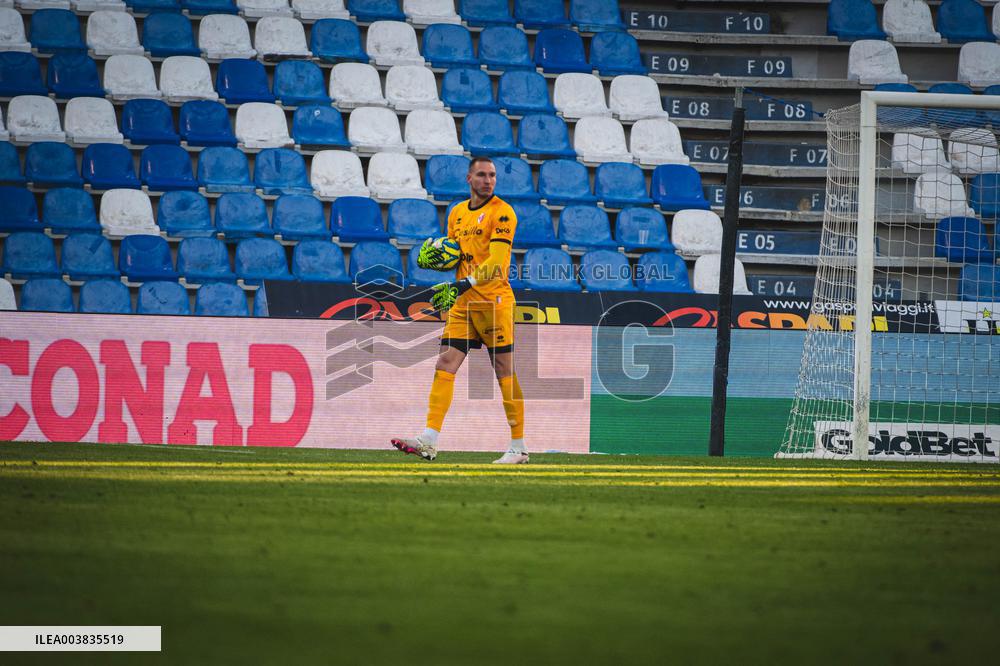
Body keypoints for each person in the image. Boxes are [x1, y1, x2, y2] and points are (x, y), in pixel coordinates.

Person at [391, 156, 528, 464]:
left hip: (493, 302)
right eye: (482, 174)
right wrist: (435, 258)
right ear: (469, 179)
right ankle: (429, 439)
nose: (488, 180)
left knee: (504, 370)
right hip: (464, 303)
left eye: (492, 175)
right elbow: (455, 254)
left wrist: (462, 284)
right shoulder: (456, 213)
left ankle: (518, 446)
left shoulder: (503, 213)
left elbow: (497, 264)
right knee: (445, 362)